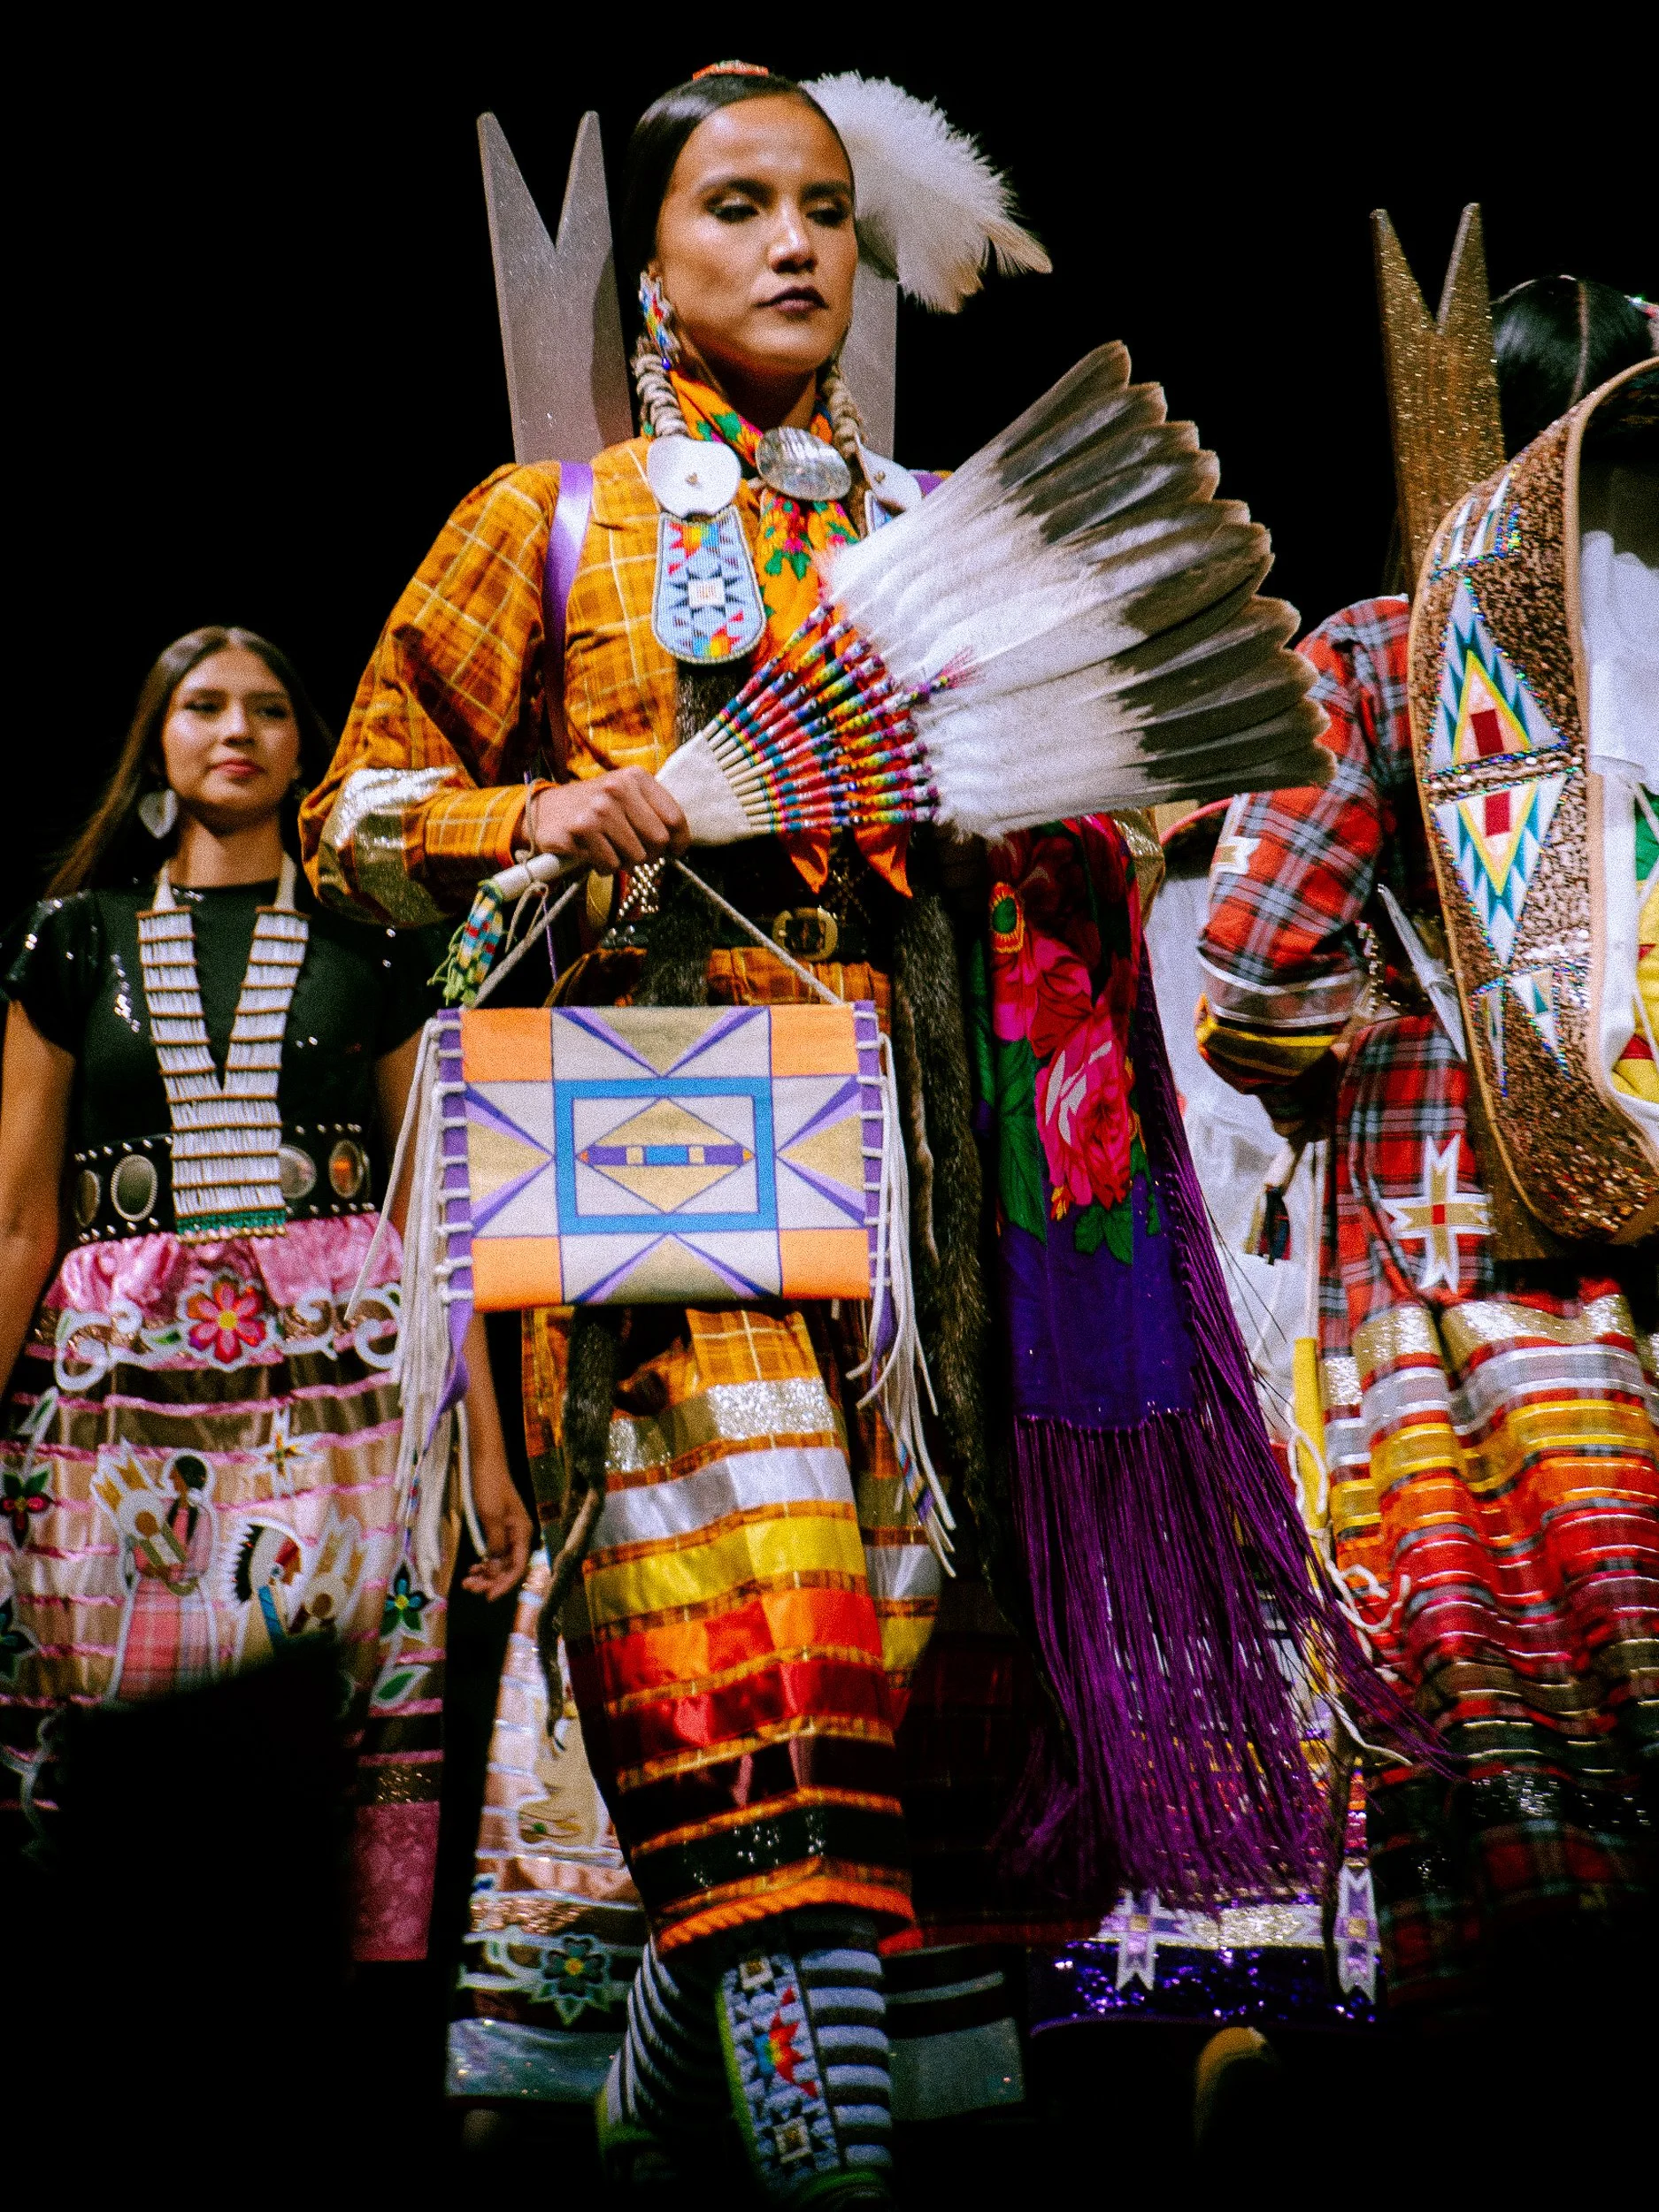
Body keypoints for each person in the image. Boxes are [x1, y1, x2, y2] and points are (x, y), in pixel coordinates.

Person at [303, 65, 1359, 2201]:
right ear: (651, 270)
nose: (790, 244)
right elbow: (356, 815)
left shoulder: (934, 533)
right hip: (666, 1177)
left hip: (939, 1208)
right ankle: (831, 2172)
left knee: (871, 1685)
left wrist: (1075, 832)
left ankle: (670, 2089)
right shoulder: (555, 525)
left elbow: (1073, 827)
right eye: (734, 207)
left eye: (816, 208)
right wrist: (539, 808)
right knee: (755, 1631)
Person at [1194, 273, 1657, 2038]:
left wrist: (1342, 1055)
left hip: (1458, 1250)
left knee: (1501, 1695)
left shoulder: (1390, 649)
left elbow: (1251, 965)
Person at [0, 625, 532, 1970]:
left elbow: (430, 1216)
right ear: (157, 744)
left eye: (270, 710)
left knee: (329, 1714)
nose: (236, 730)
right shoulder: (74, 940)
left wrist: (485, 1447)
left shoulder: (375, 945)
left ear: (308, 753)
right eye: (204, 706)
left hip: (340, 1397)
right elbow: (18, 1219)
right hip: (117, 1405)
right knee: (115, 1701)